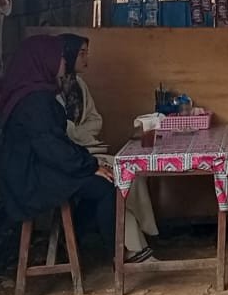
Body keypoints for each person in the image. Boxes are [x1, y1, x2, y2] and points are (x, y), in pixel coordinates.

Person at [0, 36, 119, 248]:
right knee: (107, 188)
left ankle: (72, 241)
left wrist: (89, 164)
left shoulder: (36, 94)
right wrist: (89, 166)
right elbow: (52, 148)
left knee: (102, 182)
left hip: (34, 170)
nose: (64, 62)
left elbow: (56, 143)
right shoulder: (35, 101)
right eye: (60, 58)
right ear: (43, 60)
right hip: (28, 180)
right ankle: (116, 254)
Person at [57, 34, 158, 263]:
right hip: (72, 158)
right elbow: (62, 131)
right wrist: (78, 134)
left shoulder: (78, 85)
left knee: (131, 174)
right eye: (81, 53)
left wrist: (78, 132)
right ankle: (134, 247)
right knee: (120, 177)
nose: (86, 58)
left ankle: (139, 242)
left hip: (86, 151)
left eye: (86, 52)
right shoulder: (51, 92)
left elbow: (95, 121)